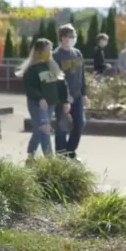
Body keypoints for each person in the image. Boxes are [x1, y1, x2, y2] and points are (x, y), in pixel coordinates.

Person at [15, 38, 71, 164]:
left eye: (50, 50)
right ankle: (51, 161)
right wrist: (39, 98)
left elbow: (62, 84)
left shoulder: (52, 66)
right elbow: (30, 87)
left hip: (50, 104)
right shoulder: (32, 70)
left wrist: (65, 101)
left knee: (39, 129)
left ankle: (30, 155)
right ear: (39, 51)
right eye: (47, 50)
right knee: (45, 128)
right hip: (37, 104)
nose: (50, 52)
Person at [52, 24, 88, 160]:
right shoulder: (56, 56)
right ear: (63, 38)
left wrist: (84, 93)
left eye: (74, 36)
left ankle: (70, 151)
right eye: (70, 36)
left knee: (80, 123)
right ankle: (61, 156)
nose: (73, 38)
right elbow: (58, 80)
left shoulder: (77, 53)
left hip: (77, 96)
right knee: (62, 127)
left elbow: (82, 74)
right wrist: (65, 100)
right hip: (62, 98)